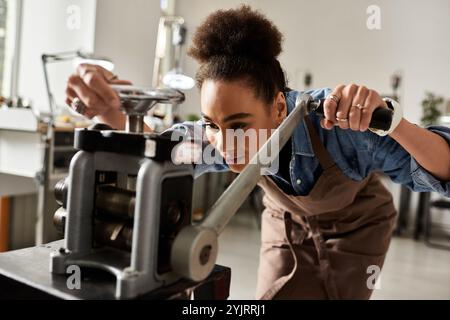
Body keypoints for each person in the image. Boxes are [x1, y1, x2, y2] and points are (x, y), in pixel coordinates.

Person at [65, 5, 450, 299]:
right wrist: (110, 110)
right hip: (287, 220)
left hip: (358, 225)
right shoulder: (221, 138)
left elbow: (445, 168)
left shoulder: (340, 128)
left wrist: (394, 123)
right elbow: (162, 154)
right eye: (212, 125)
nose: (224, 143)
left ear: (280, 107)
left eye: (238, 125)